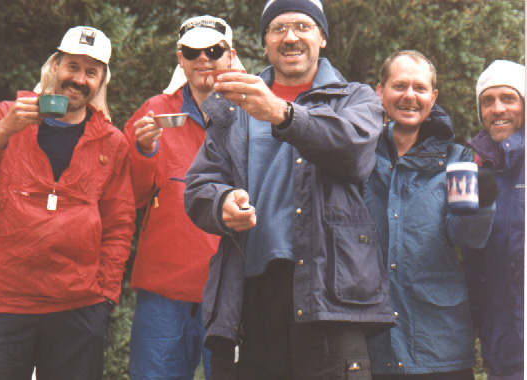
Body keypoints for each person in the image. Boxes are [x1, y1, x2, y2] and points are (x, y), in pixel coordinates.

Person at [184, 1, 395, 379]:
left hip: (330, 291)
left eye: (303, 26)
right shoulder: (234, 105)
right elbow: (199, 184)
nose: (291, 37)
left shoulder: (356, 98)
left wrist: (283, 114)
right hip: (248, 294)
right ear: (264, 43)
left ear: (322, 38)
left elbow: (354, 153)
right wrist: (221, 202)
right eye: (278, 29)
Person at [0, 26, 136, 380]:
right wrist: (2, 131)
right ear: (53, 67)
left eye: (91, 72)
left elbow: (120, 224)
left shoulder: (112, 141)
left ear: (101, 81)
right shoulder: (6, 114)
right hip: (2, 300)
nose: (78, 80)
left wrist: (104, 293)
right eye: (72, 67)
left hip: (78, 306)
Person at [363, 50, 497, 379]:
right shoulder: (357, 156)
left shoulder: (458, 159)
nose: (410, 96)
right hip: (369, 344)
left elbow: (468, 237)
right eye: (399, 86)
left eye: (420, 88)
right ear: (379, 92)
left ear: (433, 97)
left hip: (438, 343)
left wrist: (483, 202)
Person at [123, 15, 241, 380]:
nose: (203, 58)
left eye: (213, 50)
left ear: (230, 55)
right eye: (192, 51)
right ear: (180, 58)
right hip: (164, 290)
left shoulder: (254, 111)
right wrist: (143, 150)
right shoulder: (153, 111)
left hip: (231, 291)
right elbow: (128, 196)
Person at [462, 60, 524, 380]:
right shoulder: (474, 166)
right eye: (488, 101)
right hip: (500, 344)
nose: (497, 108)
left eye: (508, 98)